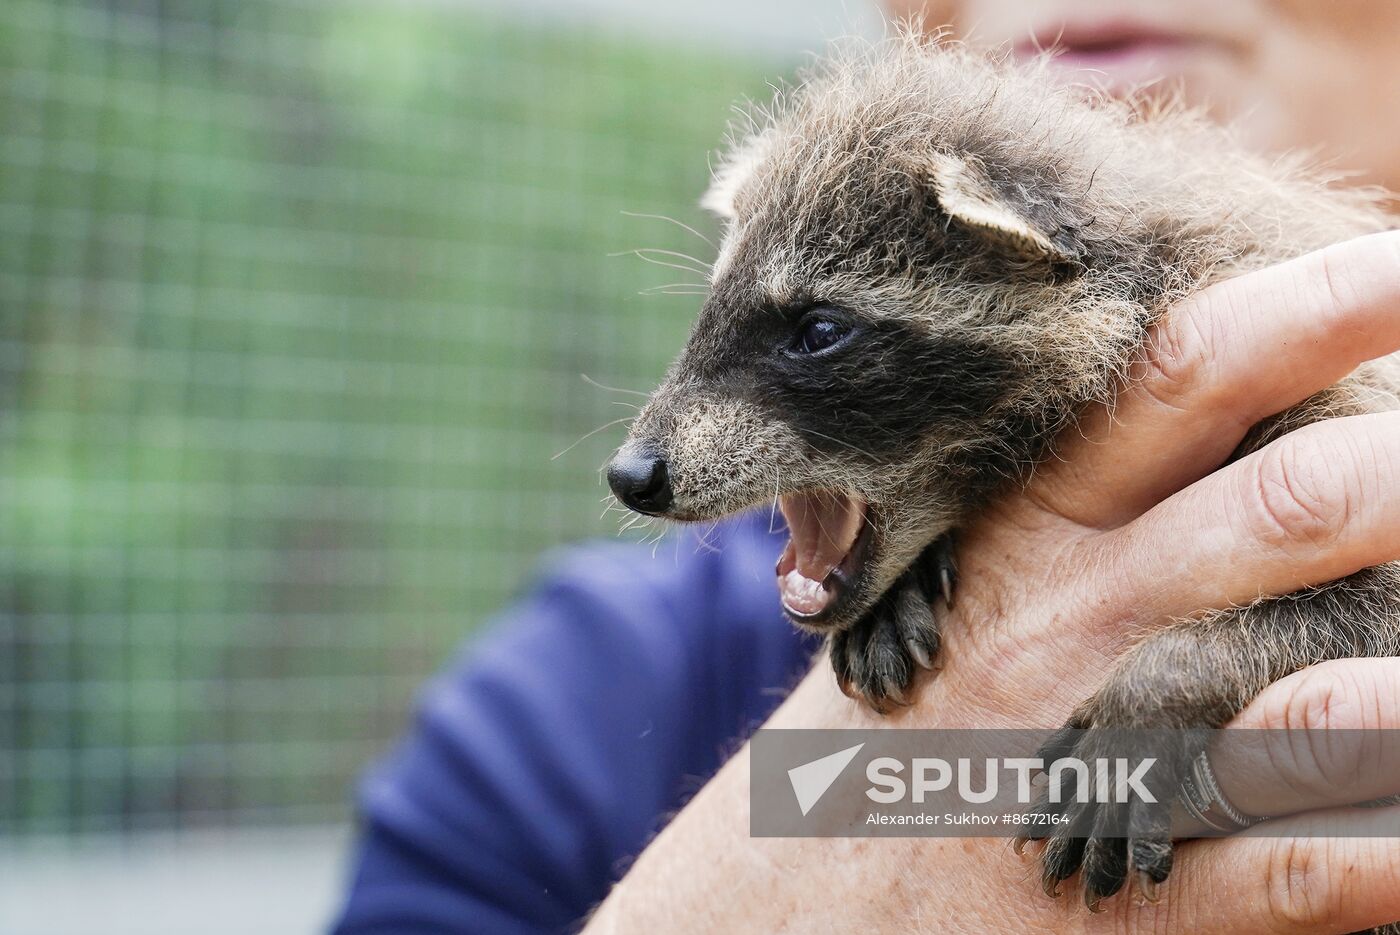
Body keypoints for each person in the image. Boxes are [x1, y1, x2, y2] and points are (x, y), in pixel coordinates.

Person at [332, 2, 1400, 932]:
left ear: (1016, 248)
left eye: (818, 337)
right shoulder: (579, 700)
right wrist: (785, 874)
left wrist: (1180, 681)